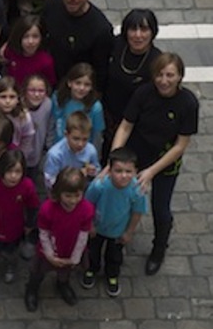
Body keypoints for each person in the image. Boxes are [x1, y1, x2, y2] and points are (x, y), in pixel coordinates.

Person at [109, 52, 198, 275]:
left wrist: (151, 172)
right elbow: (126, 126)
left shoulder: (188, 103)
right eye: (160, 74)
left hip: (166, 162)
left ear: (179, 77)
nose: (164, 80)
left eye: (170, 75)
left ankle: (159, 248)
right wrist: (115, 159)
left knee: (161, 208)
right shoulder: (144, 93)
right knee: (122, 197)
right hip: (138, 155)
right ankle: (118, 235)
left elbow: (180, 145)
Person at [24, 167, 94, 312]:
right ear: (59, 192)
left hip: (70, 249)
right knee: (38, 272)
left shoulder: (86, 209)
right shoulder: (47, 209)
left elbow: (83, 235)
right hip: (49, 249)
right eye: (68, 196)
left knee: (65, 271)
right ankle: (32, 289)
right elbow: (43, 233)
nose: (73, 200)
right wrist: (50, 255)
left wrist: (75, 257)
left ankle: (62, 284)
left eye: (77, 195)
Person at [82, 147, 146, 296]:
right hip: (97, 228)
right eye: (118, 171)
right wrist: (89, 224)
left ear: (135, 172)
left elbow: (137, 212)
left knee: (115, 255)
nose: (123, 176)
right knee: (93, 251)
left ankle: (112, 275)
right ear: (109, 170)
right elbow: (88, 204)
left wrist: (129, 232)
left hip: (118, 231)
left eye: (128, 171)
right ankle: (92, 269)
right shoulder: (99, 186)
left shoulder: (137, 190)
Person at [102, 8, 162, 162]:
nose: (138, 35)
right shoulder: (115, 45)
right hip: (108, 115)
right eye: (133, 29)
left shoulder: (156, 61)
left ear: (152, 32)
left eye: (144, 29)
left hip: (136, 124)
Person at [41, 0, 114, 89]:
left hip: (77, 89)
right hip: (49, 78)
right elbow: (40, 32)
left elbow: (100, 71)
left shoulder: (101, 29)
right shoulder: (53, 4)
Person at [0, 150, 39, 283]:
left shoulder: (27, 186)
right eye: (9, 171)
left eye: (17, 171)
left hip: (14, 227)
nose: (13, 176)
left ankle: (10, 266)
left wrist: (29, 224)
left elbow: (33, 206)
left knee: (11, 252)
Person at [51, 63, 105, 149]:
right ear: (69, 83)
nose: (81, 88)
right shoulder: (57, 98)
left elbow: (97, 137)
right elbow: (51, 124)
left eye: (87, 85)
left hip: (82, 152)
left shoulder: (96, 107)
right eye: (78, 83)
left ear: (92, 87)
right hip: (58, 150)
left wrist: (94, 158)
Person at [44, 111, 100, 191]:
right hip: (61, 194)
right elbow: (49, 182)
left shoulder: (91, 150)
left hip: (83, 192)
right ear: (66, 134)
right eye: (76, 139)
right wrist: (76, 176)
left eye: (85, 139)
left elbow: (97, 171)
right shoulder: (55, 154)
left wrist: (93, 172)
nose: (80, 144)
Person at [1, 15, 56, 88]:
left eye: (35, 36)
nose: (30, 41)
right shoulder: (10, 51)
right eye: (26, 36)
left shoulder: (46, 61)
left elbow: (50, 85)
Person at [21, 74, 55, 178]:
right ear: (25, 91)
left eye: (41, 91)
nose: (36, 94)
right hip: (19, 155)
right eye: (32, 90)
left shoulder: (48, 105)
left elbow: (50, 128)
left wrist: (48, 149)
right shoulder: (19, 107)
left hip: (38, 153)